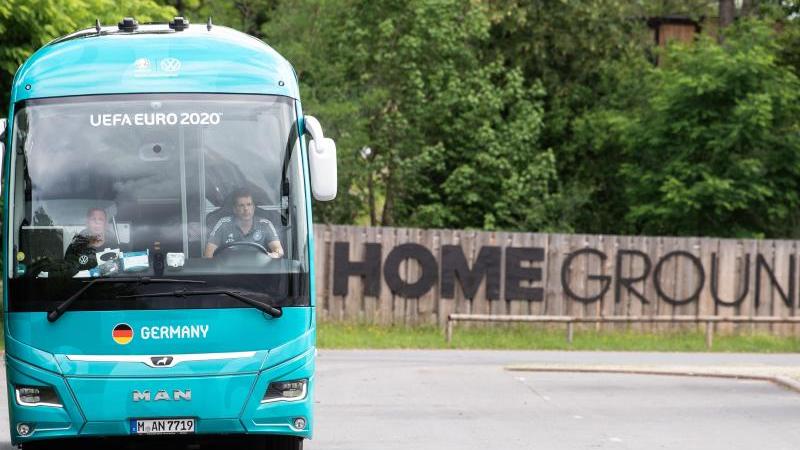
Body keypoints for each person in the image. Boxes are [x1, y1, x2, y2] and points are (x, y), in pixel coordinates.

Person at [204, 188, 284, 258]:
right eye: (241, 205)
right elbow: (208, 254)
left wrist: (270, 256)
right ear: (235, 209)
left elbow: (279, 251)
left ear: (253, 208)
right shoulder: (223, 224)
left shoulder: (265, 224)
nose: (246, 209)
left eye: (249, 205)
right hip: (229, 272)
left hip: (258, 272)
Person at [64, 207, 112, 271]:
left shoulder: (115, 247)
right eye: (93, 219)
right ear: (87, 223)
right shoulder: (75, 248)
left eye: (100, 219)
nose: (97, 222)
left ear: (106, 224)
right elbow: (67, 272)